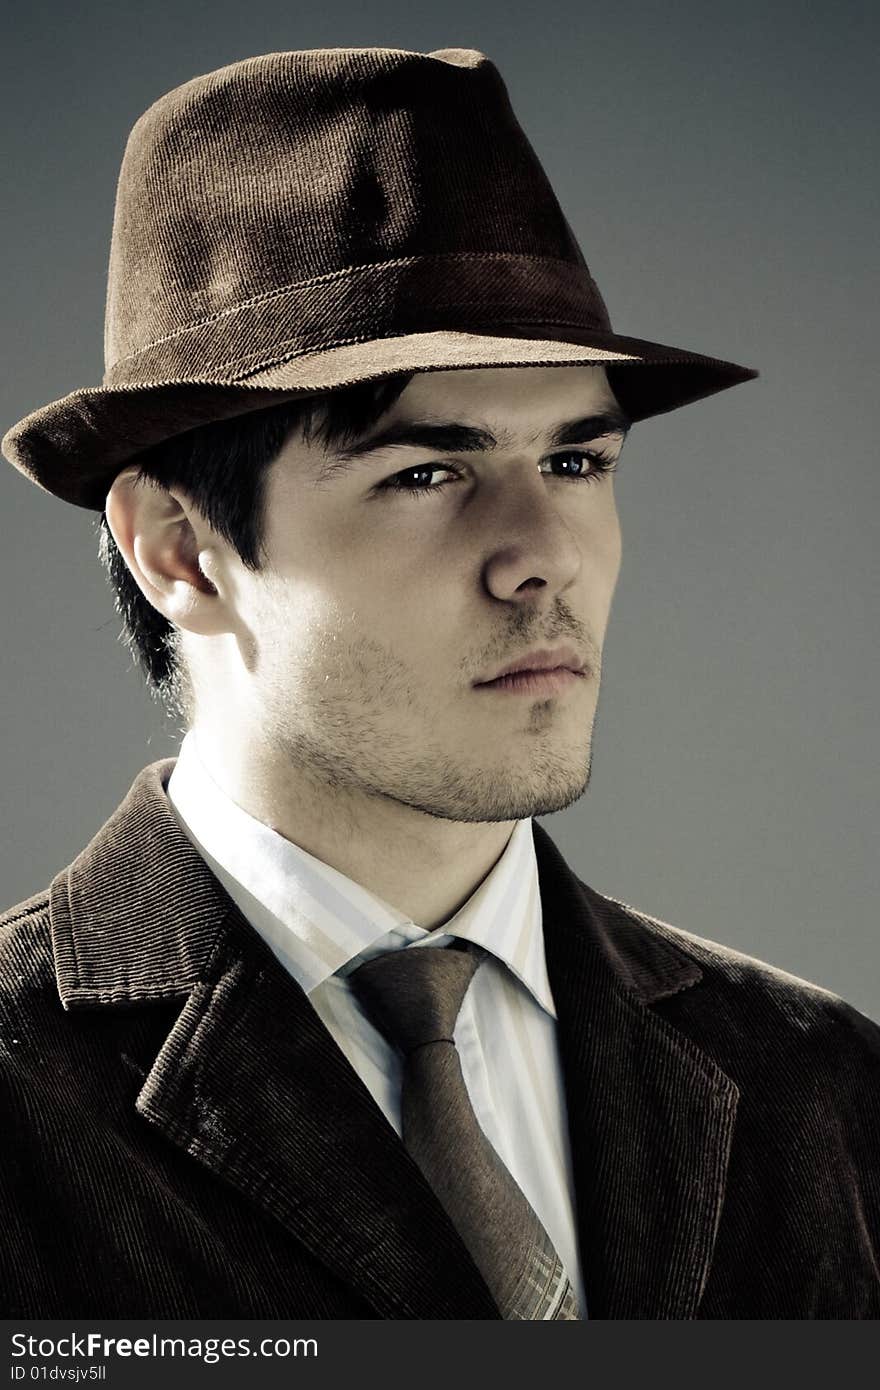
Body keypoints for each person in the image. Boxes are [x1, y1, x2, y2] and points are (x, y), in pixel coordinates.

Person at [1, 45, 877, 1322]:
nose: (543, 558)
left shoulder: (820, 1085)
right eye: (427, 472)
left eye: (578, 462)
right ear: (180, 550)